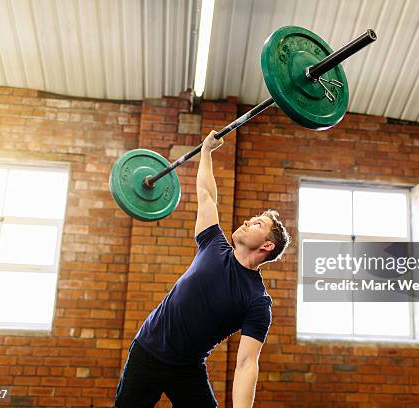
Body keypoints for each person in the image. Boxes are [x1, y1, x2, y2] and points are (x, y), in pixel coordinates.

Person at [115, 130, 291, 408]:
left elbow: (246, 364)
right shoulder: (213, 244)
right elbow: (207, 195)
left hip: (187, 368)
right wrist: (207, 152)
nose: (247, 222)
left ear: (267, 246)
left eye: (258, 223)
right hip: (147, 350)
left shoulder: (257, 302)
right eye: (251, 218)